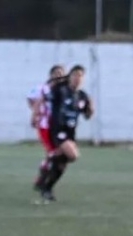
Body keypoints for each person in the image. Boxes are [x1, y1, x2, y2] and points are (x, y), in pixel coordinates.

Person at [34, 65, 93, 203]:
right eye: (75, 75)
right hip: (57, 130)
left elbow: (87, 115)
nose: (77, 78)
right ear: (70, 76)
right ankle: (44, 177)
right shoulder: (60, 90)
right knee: (73, 155)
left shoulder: (82, 96)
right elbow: (43, 98)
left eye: (80, 76)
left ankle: (46, 186)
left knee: (62, 163)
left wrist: (91, 108)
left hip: (71, 133)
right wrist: (35, 114)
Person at [28, 65, 66, 186]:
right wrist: (35, 113)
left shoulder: (64, 90)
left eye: (61, 73)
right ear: (51, 75)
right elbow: (30, 98)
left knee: (54, 154)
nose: (59, 75)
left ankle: (42, 176)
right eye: (56, 73)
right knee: (53, 152)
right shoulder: (43, 88)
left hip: (58, 126)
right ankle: (43, 179)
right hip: (45, 125)